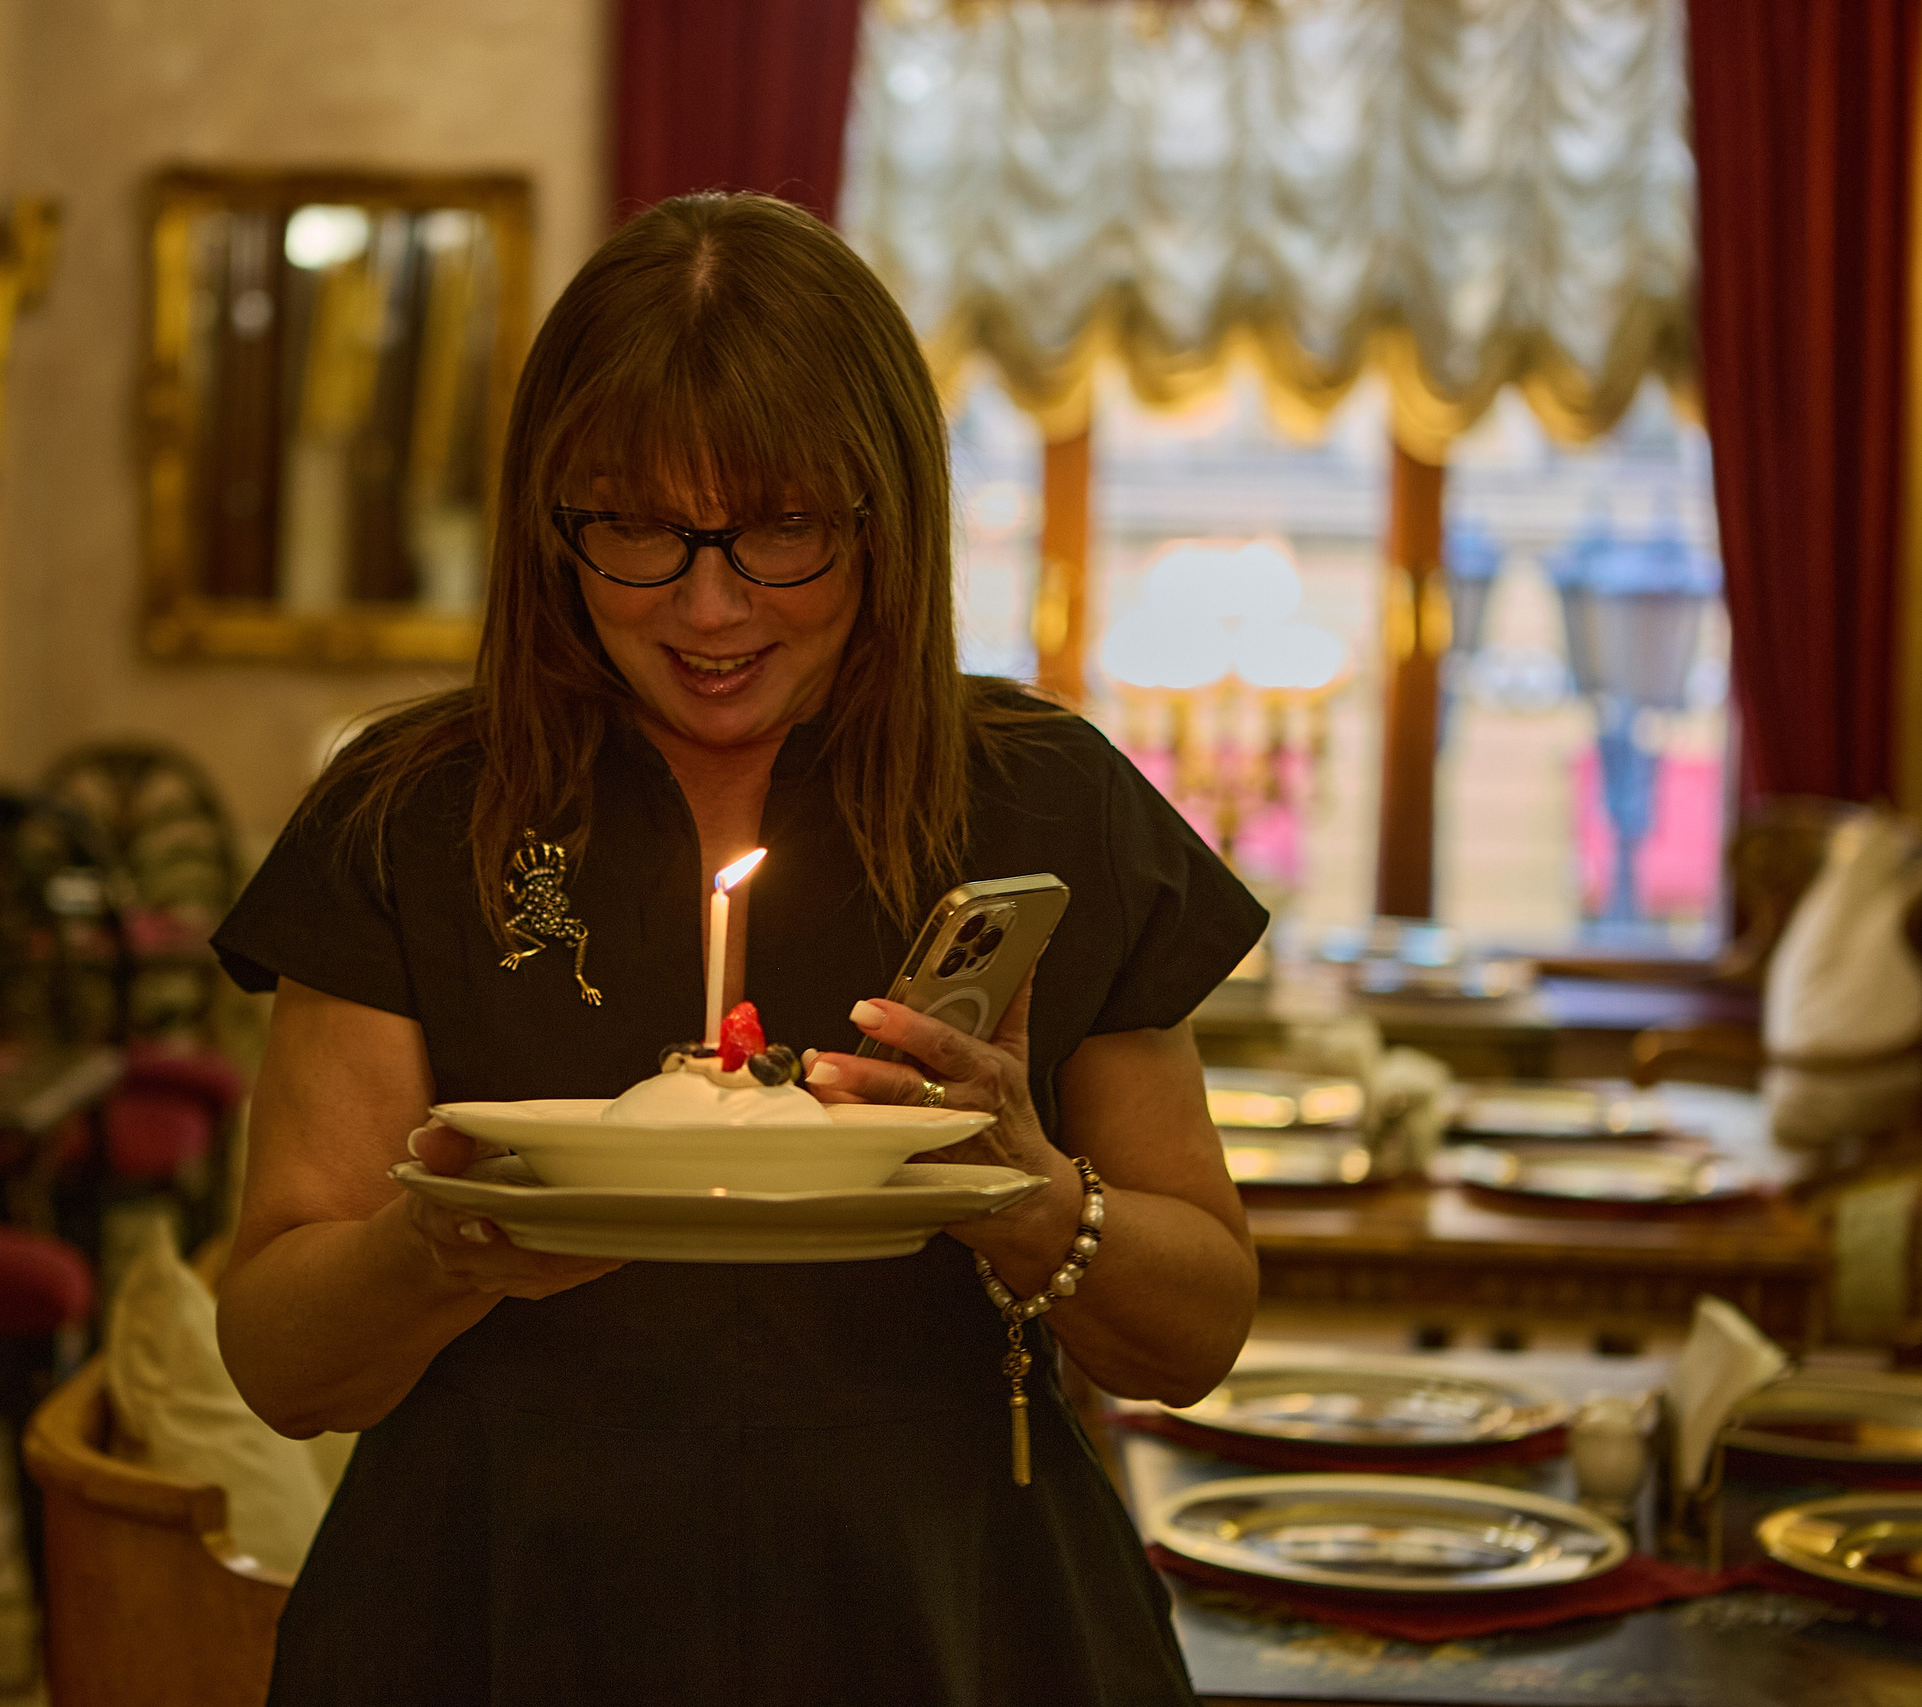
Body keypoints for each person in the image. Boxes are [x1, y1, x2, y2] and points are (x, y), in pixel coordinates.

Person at [213, 191, 1265, 1706]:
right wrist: (434, 1251)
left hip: (956, 1601)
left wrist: (1030, 1195)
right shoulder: (417, 813)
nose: (710, 610)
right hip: (497, 1597)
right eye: (638, 530)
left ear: (886, 515)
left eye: (783, 530)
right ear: (551, 525)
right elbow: (285, 1364)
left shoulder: (1046, 799)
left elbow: (1198, 1332)